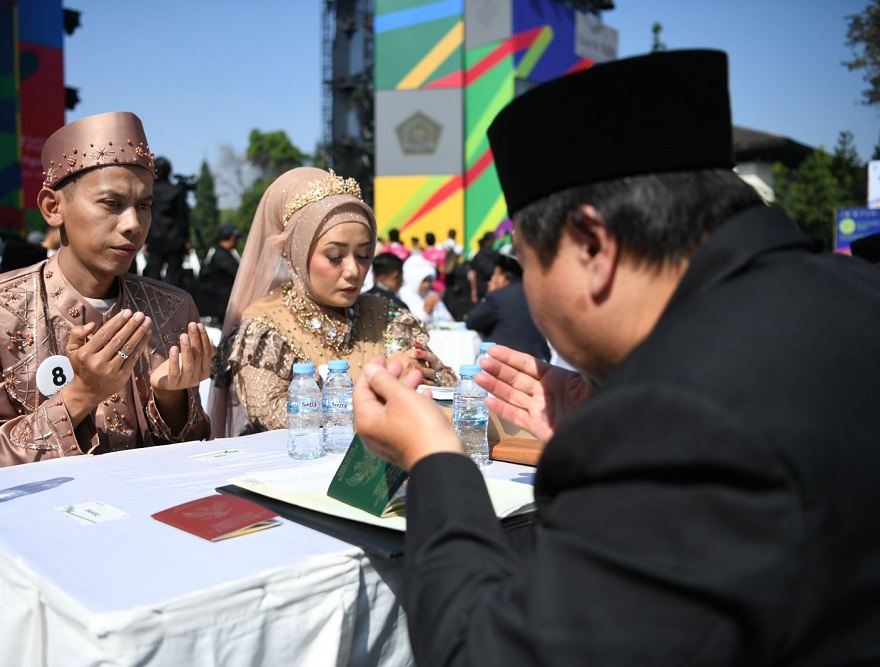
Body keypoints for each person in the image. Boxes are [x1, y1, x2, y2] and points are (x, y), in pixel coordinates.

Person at [352, 50, 880, 664]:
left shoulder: (674, 417)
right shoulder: (858, 293)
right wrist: (601, 428)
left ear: (592, 245)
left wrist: (434, 458)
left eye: (524, 261)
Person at [0, 112, 213, 642]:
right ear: (54, 207)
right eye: (111, 203)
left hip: (153, 552)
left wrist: (173, 399)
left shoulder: (171, 307)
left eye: (144, 205)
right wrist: (80, 396)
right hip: (21, 563)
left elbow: (191, 460)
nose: (134, 225)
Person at [210, 167, 456, 436]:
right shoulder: (265, 326)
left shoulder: (386, 315)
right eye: (335, 256)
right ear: (298, 254)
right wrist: (384, 383)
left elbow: (452, 393)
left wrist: (428, 375)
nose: (353, 271)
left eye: (363, 255)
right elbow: (273, 415)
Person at [466, 253, 550, 361]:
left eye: (495, 275)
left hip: (504, 361)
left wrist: (488, 295)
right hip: (539, 359)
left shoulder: (498, 296)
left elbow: (472, 321)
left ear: (504, 277)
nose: (492, 280)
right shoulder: (536, 293)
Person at [143, 156, 191, 288]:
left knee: (153, 273)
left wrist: (145, 240)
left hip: (154, 237)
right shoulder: (176, 191)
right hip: (175, 237)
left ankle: (150, 300)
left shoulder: (149, 191)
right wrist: (186, 237)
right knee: (175, 274)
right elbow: (183, 216)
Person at [198, 223, 243, 325]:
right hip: (223, 307)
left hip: (220, 305)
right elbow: (240, 276)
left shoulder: (218, 253)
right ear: (232, 237)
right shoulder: (223, 257)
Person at [399, 256, 454, 325]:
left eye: (429, 281)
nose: (427, 285)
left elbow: (448, 319)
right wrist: (427, 312)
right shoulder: (401, 296)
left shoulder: (430, 295)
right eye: (424, 281)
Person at [468, 231, 498, 303]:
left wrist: (473, 290)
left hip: (480, 289)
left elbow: (472, 275)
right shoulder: (496, 255)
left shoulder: (477, 256)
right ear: (492, 240)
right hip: (494, 288)